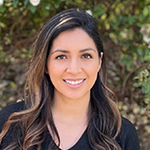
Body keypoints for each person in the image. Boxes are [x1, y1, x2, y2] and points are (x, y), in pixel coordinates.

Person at [0, 8, 140, 150]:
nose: (74, 69)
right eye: (61, 57)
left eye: (86, 56)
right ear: (46, 64)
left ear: (99, 61)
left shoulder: (122, 135)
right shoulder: (10, 123)